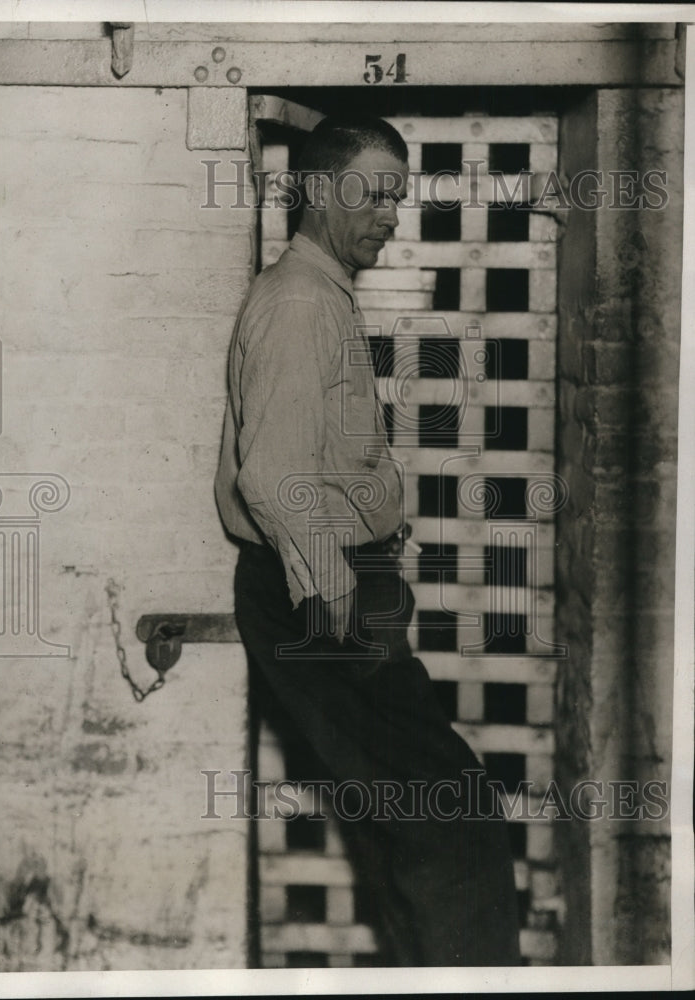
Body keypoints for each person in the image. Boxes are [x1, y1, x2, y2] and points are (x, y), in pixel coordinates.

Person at [214, 115, 521, 967]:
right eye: (375, 193)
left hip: (331, 588)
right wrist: (336, 598)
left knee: (410, 824)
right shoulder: (300, 303)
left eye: (398, 196)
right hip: (319, 592)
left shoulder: (316, 293)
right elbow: (273, 475)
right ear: (318, 189)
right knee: (455, 819)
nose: (392, 214)